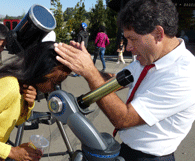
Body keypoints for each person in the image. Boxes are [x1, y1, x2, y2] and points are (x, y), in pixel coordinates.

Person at [54, 0, 195, 160]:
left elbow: (124, 118)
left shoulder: (185, 75)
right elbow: (115, 81)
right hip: (127, 148)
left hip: (151, 157)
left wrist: (90, 72)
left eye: (133, 39)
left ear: (158, 34)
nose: (128, 47)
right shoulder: (148, 58)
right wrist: (80, 63)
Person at [0, 41, 71, 160]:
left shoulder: (23, 87)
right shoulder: (8, 85)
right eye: (55, 82)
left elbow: (18, 121)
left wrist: (29, 104)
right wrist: (11, 151)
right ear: (42, 72)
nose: (54, 88)